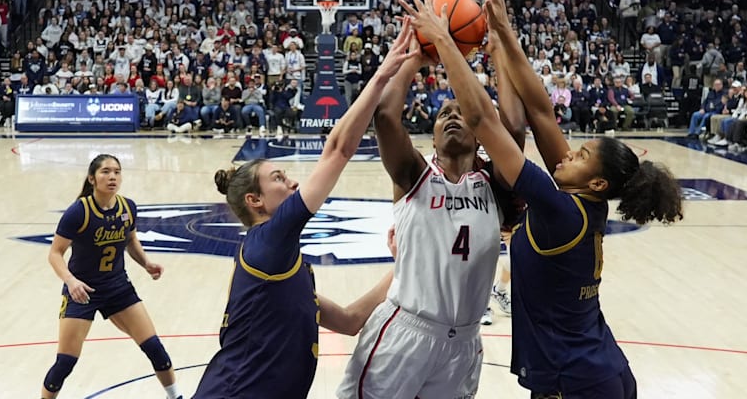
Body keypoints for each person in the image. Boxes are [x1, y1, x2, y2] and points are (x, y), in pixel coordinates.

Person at [401, 0, 683, 398]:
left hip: (576, 381)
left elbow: (484, 121)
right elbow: (541, 112)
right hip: (597, 370)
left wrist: (443, 39)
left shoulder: (560, 210)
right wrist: (503, 34)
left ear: (599, 182)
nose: (568, 154)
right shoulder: (583, 200)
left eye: (580, 155)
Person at [193, 21, 415, 399]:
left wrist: (406, 263)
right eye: (279, 177)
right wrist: (384, 74)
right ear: (255, 201)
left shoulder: (280, 265)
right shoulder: (268, 242)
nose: (293, 183)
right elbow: (339, 150)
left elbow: (349, 321)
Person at [337, 21, 525, 398]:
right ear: (433, 136)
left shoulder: (495, 185)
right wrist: (412, 61)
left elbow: (515, 128)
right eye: (443, 114)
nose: (452, 116)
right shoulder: (415, 174)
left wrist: (501, 50)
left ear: (479, 131)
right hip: (404, 333)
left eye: (461, 113)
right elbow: (387, 118)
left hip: (464, 343)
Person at [40, 154, 183, 399]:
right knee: (65, 363)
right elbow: (55, 254)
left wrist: (146, 263)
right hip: (82, 291)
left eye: (116, 171)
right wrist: (71, 281)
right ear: (92, 178)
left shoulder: (127, 207)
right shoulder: (79, 211)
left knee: (156, 349)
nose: (112, 177)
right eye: (105, 171)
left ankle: (176, 397)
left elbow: (130, 240)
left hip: (118, 288)